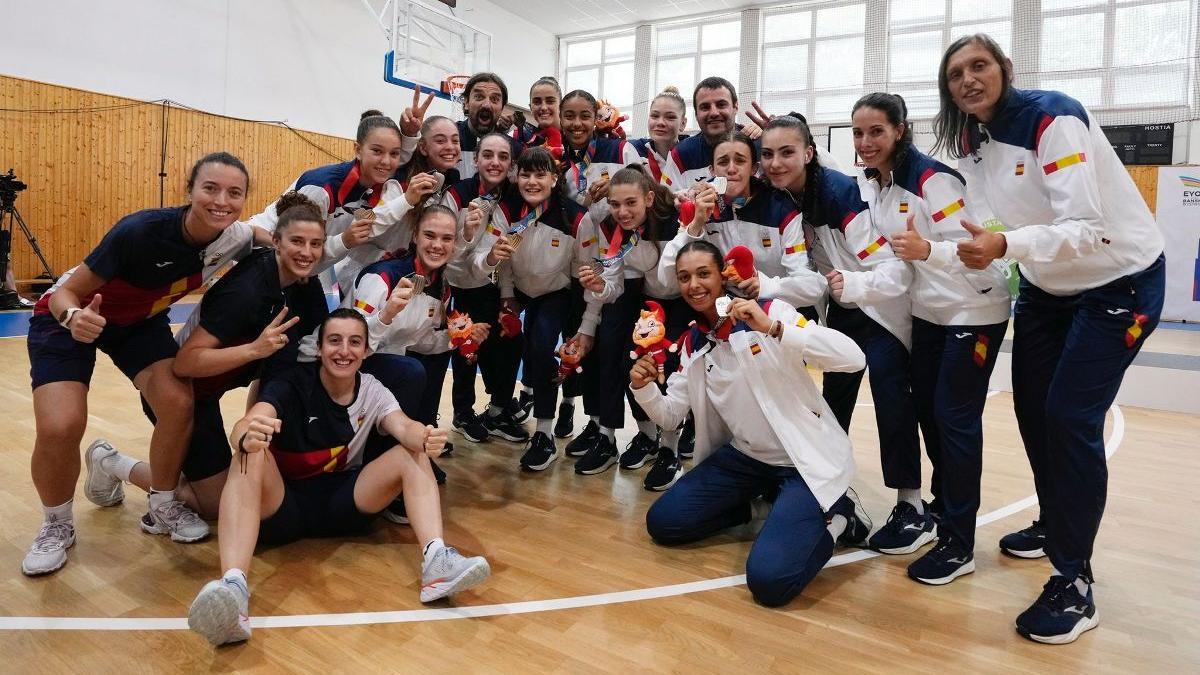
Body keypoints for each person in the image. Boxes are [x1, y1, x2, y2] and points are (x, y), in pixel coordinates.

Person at [933, 34, 1165, 644]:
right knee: (1034, 413)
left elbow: (1084, 228)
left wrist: (1006, 245)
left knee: (1068, 416)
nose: (968, 80)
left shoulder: (1052, 120)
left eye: (979, 66)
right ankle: (1057, 522)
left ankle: (1075, 580)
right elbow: (989, 223)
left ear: (1005, 69)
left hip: (1120, 278)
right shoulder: (970, 139)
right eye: (956, 73)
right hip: (1046, 288)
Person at [185, 309, 490, 646]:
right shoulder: (290, 384)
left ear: (366, 352)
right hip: (282, 507)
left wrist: (424, 436)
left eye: (354, 342)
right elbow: (249, 423)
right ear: (318, 349)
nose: (344, 350)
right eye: (334, 341)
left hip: (343, 503)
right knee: (249, 451)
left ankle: (436, 561)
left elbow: (403, 425)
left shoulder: (373, 389)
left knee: (411, 452)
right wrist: (245, 434)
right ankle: (233, 589)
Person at [22, 152, 253, 576]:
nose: (222, 201)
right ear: (189, 191)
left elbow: (286, 235)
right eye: (211, 189)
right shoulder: (140, 231)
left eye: (234, 193)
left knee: (178, 402)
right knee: (60, 425)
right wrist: (76, 318)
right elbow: (63, 295)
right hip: (67, 321)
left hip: (138, 324)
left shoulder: (236, 237)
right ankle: (56, 524)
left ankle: (162, 501)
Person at [635, 240, 869, 607]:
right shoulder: (694, 342)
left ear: (721, 276)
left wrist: (775, 328)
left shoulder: (769, 312)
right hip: (745, 460)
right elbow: (670, 415)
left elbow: (853, 358)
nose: (694, 284)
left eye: (703, 274)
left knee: (770, 582)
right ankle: (755, 505)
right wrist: (642, 387)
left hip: (801, 463)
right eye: (684, 277)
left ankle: (839, 517)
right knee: (664, 523)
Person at [86, 192, 330, 521]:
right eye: (297, 241)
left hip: (212, 392)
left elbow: (291, 360)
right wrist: (253, 350)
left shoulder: (304, 286)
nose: (306, 252)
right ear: (276, 241)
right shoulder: (247, 292)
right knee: (218, 507)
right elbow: (185, 363)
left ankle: (180, 478)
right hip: (185, 397)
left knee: (241, 488)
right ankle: (113, 464)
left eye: (315, 244)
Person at [757, 114, 934, 556]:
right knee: (831, 408)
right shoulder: (781, 198)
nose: (776, 163)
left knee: (893, 403)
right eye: (768, 154)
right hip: (839, 315)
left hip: (880, 315)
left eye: (787, 152)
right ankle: (832, 495)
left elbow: (892, 267)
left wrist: (854, 286)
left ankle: (912, 507)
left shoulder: (837, 193)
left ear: (808, 154)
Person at [851, 92, 1010, 585]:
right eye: (858, 133)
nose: (865, 142)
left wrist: (924, 252)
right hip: (930, 314)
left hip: (975, 308)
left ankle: (959, 545)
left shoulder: (931, 179)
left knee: (955, 421)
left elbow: (972, 251)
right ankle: (941, 513)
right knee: (932, 416)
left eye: (876, 130)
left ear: (900, 129)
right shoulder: (881, 183)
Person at [473, 147, 590, 471]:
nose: (532, 181)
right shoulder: (506, 208)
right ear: (516, 176)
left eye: (541, 174)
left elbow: (581, 268)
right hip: (517, 287)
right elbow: (501, 258)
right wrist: (508, 297)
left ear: (554, 178)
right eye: (526, 174)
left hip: (556, 291)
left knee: (541, 345)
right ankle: (500, 407)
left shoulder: (575, 216)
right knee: (496, 338)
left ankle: (544, 433)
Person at [574, 166, 689, 486]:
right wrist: (599, 286)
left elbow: (674, 276)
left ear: (649, 198)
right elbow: (614, 280)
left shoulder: (676, 219)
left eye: (630, 203)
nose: (622, 212)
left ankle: (671, 448)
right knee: (623, 357)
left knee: (668, 366)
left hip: (680, 300)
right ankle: (643, 435)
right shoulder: (614, 227)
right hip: (641, 295)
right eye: (614, 204)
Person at [441, 133, 529, 445]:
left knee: (508, 343)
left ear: (511, 164)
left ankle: (498, 410)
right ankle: (463, 412)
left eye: (503, 157)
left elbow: (502, 249)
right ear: (475, 160)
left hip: (494, 282)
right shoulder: (456, 195)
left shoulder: (512, 196)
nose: (495, 162)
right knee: (467, 348)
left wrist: (503, 285)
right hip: (459, 283)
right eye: (488, 155)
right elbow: (445, 250)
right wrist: (466, 235)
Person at [559, 89, 642, 222]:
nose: (577, 123)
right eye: (569, 116)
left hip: (620, 240)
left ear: (595, 119)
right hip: (576, 241)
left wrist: (617, 187)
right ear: (561, 119)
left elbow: (646, 188)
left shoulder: (620, 150)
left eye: (585, 116)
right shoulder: (557, 162)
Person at [661, 77, 741, 189]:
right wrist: (685, 201)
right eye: (705, 107)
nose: (714, 113)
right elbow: (667, 201)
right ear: (696, 115)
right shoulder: (681, 154)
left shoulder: (758, 145)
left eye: (721, 104)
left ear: (735, 107)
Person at [455, 72, 523, 179]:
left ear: (502, 108)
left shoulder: (514, 150)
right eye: (479, 97)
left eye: (495, 99)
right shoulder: (449, 138)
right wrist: (417, 133)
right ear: (466, 103)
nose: (486, 104)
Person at [629, 87, 689, 186]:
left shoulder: (693, 154)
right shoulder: (633, 151)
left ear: (683, 123)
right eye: (655, 116)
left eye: (670, 117)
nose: (660, 122)